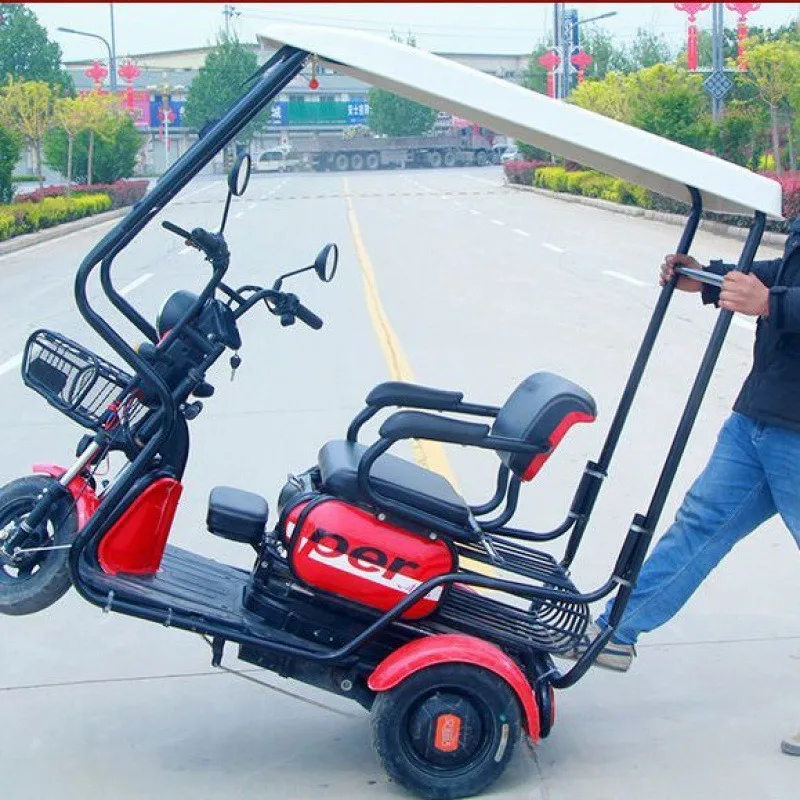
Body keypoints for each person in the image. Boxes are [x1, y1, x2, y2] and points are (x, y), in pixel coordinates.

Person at [574, 220, 800, 756]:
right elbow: (779, 273)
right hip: (760, 417)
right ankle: (617, 632)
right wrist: (710, 278)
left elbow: (779, 294)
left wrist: (772, 304)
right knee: (699, 522)